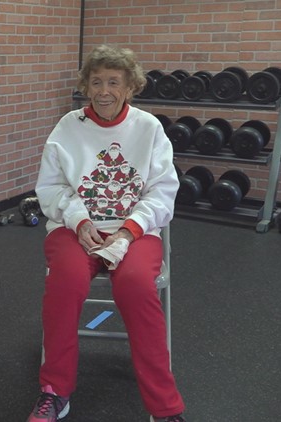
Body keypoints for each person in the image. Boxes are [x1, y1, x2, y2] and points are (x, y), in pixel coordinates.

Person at [27, 45, 186, 422]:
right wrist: (80, 221)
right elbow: (49, 189)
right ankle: (55, 391)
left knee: (135, 285)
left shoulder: (149, 128)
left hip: (135, 233)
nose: (103, 91)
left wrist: (129, 232)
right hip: (75, 230)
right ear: (86, 86)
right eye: (96, 81)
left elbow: (163, 190)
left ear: (130, 87)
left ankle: (164, 407)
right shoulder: (67, 127)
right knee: (65, 284)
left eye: (114, 82)